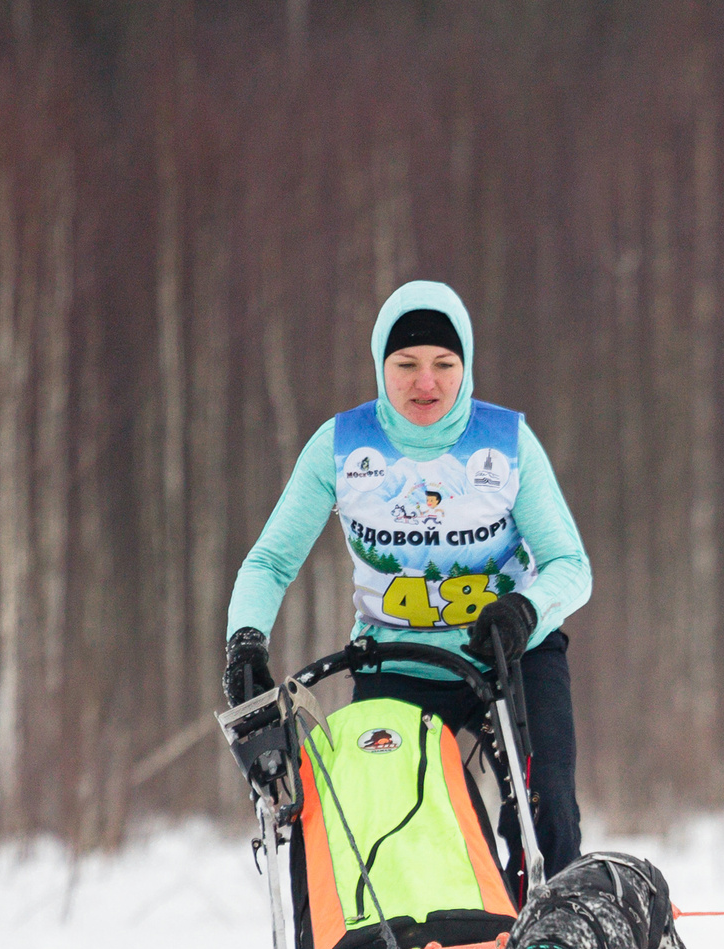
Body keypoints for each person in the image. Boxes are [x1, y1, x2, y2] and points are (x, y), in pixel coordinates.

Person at [222, 281, 588, 873]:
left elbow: (571, 566)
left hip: (512, 656)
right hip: (399, 661)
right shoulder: (340, 450)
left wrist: (526, 609)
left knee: (548, 813)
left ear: (465, 367)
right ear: (380, 367)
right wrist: (245, 641)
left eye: (444, 364)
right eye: (407, 364)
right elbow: (270, 562)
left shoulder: (508, 444)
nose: (426, 383)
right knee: (401, 835)